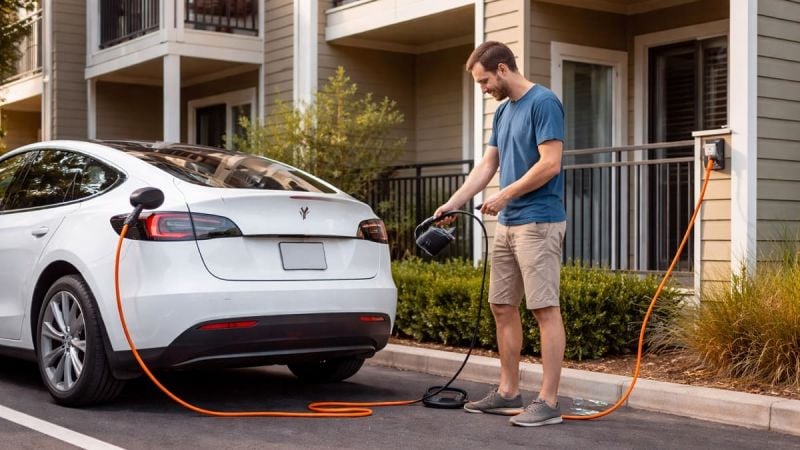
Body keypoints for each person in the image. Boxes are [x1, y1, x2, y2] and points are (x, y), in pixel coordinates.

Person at [433, 41, 567, 427]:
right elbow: (488, 165)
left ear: (503, 69)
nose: (484, 89)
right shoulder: (504, 112)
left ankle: (548, 401)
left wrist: (504, 196)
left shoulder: (544, 103)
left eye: (484, 81)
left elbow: (551, 164)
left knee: (544, 309)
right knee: (502, 306)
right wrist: (453, 203)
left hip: (539, 221)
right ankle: (508, 392)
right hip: (509, 223)